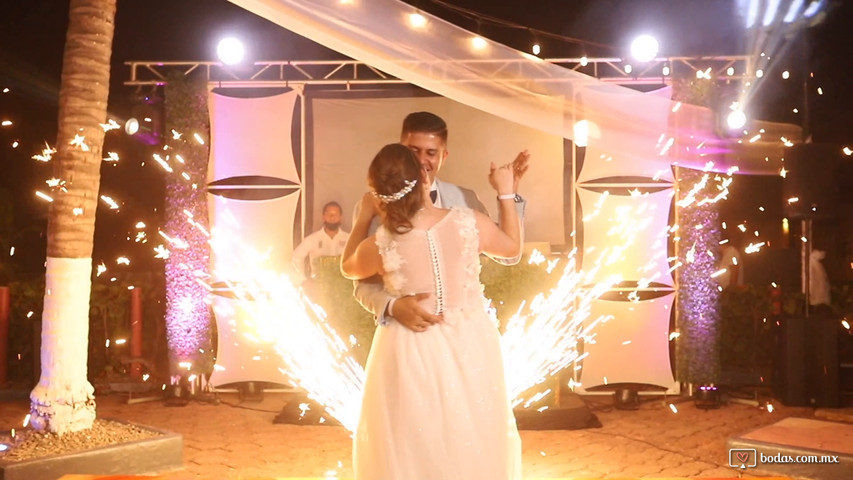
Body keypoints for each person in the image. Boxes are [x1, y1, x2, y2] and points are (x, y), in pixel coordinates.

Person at [341, 143, 523, 480]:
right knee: (473, 433)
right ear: (424, 176)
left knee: (411, 439)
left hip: (409, 346)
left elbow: (348, 267)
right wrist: (506, 193)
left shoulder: (382, 243)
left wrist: (364, 216)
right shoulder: (470, 223)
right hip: (471, 343)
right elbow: (512, 248)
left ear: (379, 194)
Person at [353, 111, 529, 330]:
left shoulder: (466, 199)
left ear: (443, 156)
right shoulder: (377, 203)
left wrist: (509, 194)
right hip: (404, 333)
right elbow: (362, 282)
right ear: (401, 150)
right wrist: (391, 306)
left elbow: (508, 256)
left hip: (463, 332)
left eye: (431, 153)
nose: (421, 160)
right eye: (413, 151)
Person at [291, 201, 349, 285]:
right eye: (328, 214)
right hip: (319, 285)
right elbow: (296, 257)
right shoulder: (312, 239)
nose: (332, 217)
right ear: (323, 217)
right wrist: (303, 280)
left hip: (343, 285)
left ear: (340, 217)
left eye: (335, 214)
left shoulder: (349, 239)